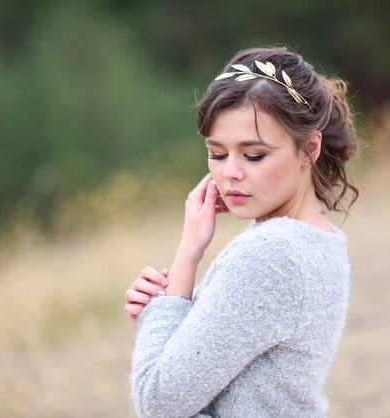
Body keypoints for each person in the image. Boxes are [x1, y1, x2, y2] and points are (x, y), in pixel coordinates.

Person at [123, 46, 359, 418]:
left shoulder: (270, 254)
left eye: (253, 156)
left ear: (308, 149)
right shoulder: (318, 238)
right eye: (217, 154)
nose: (229, 172)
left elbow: (158, 403)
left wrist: (187, 255)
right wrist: (165, 313)